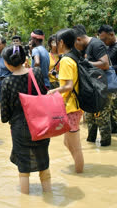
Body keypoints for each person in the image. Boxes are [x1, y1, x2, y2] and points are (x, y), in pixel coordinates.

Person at [0, 45, 51, 194]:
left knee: (23, 167)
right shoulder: (36, 72)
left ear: (7, 63)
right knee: (44, 163)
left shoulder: (7, 82)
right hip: (41, 126)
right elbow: (42, 94)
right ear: (24, 59)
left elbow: (4, 116)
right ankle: (48, 195)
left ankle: (25, 201)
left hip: (20, 128)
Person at [48, 28, 84, 173]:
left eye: (56, 42)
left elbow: (68, 86)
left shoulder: (66, 60)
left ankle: (80, 172)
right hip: (73, 106)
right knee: (67, 142)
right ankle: (78, 170)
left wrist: (52, 91)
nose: (55, 45)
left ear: (61, 42)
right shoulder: (73, 57)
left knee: (75, 146)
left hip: (71, 107)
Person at [73, 24, 111, 146]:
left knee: (103, 121)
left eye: (75, 44)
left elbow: (105, 64)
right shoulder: (83, 47)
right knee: (90, 120)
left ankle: (106, 148)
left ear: (79, 39)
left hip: (100, 89)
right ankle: (91, 143)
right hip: (90, 89)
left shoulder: (96, 44)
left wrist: (86, 63)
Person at [98, 25, 117, 140]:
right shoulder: (109, 47)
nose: (103, 41)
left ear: (112, 34)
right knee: (110, 116)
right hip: (108, 85)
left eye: (105, 39)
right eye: (101, 39)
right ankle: (114, 139)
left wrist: (105, 68)